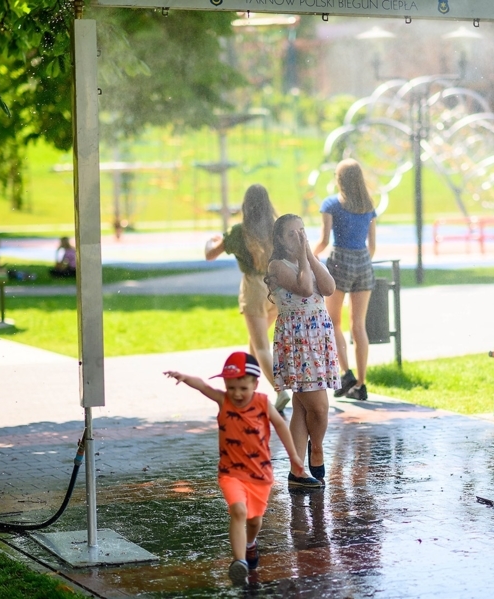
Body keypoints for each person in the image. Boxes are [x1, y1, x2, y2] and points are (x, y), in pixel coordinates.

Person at [163, 352, 319, 585]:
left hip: (260, 474)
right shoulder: (223, 400)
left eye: (243, 388)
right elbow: (203, 386)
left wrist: (295, 457)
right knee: (238, 512)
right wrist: (184, 377)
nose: (236, 393)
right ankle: (239, 563)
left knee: (254, 521)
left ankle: (250, 544)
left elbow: (281, 427)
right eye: (231, 386)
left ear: (255, 384)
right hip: (230, 473)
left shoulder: (263, 402)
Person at [267, 214, 340, 486]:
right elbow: (306, 288)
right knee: (319, 408)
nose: (299, 237)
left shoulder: (308, 260)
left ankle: (297, 470)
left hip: (318, 336)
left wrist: (308, 254)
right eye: (292, 234)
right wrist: (302, 257)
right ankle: (317, 449)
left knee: (301, 406)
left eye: (302, 232)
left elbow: (329, 288)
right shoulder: (277, 265)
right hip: (297, 341)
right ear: (280, 241)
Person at [205, 184, 292, 412]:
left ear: (245, 206)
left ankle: (280, 390)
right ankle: (251, 391)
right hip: (276, 289)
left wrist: (211, 240)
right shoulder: (277, 230)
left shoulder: (238, 232)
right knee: (256, 342)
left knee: (262, 346)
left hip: (253, 289)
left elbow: (210, 255)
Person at [313, 159, 377, 402]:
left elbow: (324, 241)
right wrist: (361, 261)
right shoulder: (368, 206)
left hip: (340, 261)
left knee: (334, 321)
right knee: (358, 326)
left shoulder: (332, 204)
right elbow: (372, 246)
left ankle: (345, 372)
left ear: (339, 179)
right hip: (363, 262)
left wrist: (309, 254)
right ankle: (361, 384)